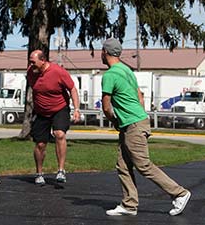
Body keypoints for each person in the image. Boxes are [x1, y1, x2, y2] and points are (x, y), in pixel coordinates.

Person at [100, 38, 191, 216]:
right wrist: (138, 116)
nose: (100, 54)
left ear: (105, 52)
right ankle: (129, 205)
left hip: (132, 124)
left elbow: (106, 107)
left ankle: (179, 193)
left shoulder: (110, 75)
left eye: (101, 51)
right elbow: (140, 95)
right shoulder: (126, 70)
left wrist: (116, 120)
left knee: (143, 165)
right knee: (123, 165)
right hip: (135, 122)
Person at [27, 49, 80, 185]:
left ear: (43, 60)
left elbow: (72, 89)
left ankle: (61, 170)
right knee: (40, 144)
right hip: (41, 112)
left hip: (59, 108)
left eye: (33, 62)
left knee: (59, 134)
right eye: (30, 62)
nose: (31, 65)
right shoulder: (31, 73)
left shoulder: (58, 72)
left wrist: (76, 109)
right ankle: (39, 173)